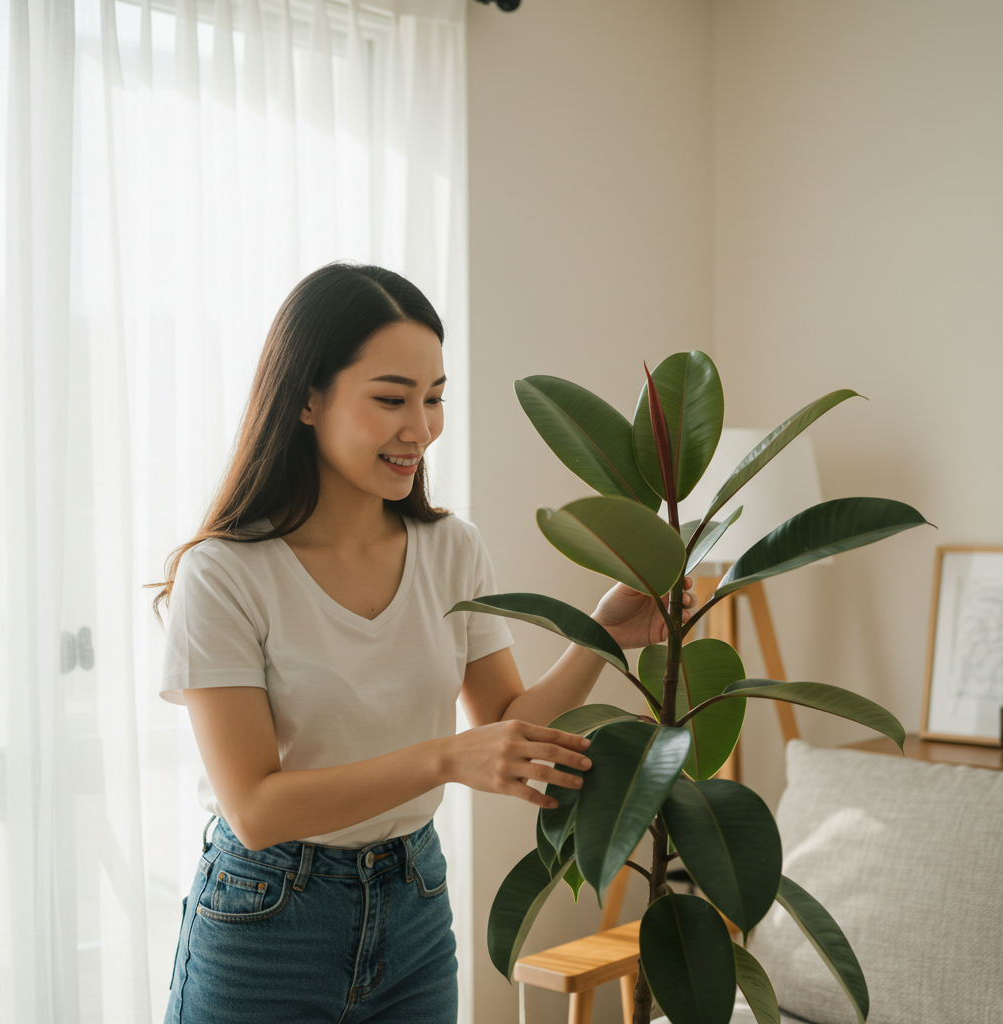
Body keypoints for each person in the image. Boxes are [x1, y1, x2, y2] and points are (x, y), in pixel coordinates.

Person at [155, 263, 696, 1024]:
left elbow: (508, 716)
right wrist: (443, 759)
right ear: (307, 398)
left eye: (434, 397)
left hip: (413, 900)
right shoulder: (226, 573)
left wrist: (601, 635)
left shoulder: (451, 550)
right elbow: (254, 807)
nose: (420, 427)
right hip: (266, 918)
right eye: (390, 399)